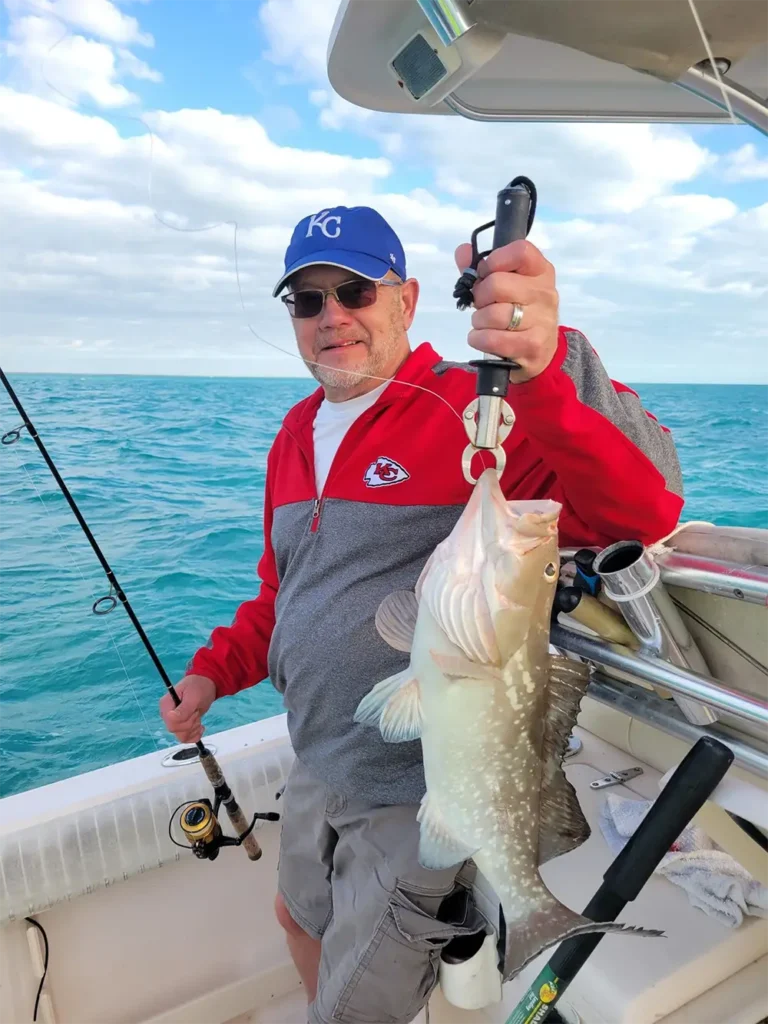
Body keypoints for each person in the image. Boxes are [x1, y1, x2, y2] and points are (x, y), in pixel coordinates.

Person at [160, 205, 684, 1024]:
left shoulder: (478, 406)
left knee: (359, 1009)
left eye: (355, 291)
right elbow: (282, 593)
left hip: (417, 788)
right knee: (297, 917)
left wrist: (547, 364)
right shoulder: (296, 432)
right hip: (320, 759)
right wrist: (213, 674)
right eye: (308, 300)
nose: (332, 315)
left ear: (405, 299)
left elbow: (642, 508)